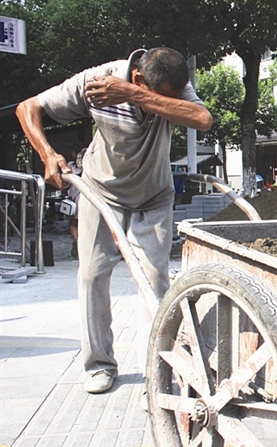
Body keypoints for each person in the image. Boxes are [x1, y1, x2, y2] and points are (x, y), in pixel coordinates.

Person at [16, 47, 213, 395]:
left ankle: (157, 373)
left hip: (153, 194)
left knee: (154, 280)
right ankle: (100, 365)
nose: (166, 102)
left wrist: (133, 94)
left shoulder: (171, 82)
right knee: (92, 275)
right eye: (153, 94)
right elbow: (27, 107)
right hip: (99, 190)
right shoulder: (96, 80)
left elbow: (201, 119)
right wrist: (47, 155)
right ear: (138, 75)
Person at [66, 144, 86, 258]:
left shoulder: (70, 166)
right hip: (88, 197)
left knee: (74, 222)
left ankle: (77, 241)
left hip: (75, 197)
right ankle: (82, 244)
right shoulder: (90, 165)